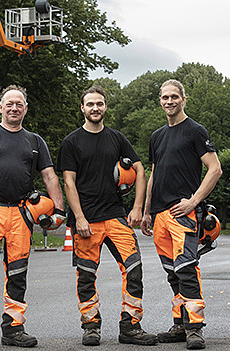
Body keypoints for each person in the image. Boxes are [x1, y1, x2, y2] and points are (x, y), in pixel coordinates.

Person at [0, 85, 65, 351]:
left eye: (19, 104)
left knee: (17, 274)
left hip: (21, 214)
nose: (14, 108)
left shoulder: (34, 141)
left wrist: (60, 212)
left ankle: (14, 330)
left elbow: (50, 177)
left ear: (25, 109)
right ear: (1, 107)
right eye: (9, 104)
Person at [57, 86, 157, 347]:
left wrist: (137, 208)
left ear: (105, 107)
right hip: (86, 220)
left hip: (115, 215)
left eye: (99, 104)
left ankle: (130, 327)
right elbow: (69, 182)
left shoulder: (117, 138)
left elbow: (140, 170)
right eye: (90, 104)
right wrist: (78, 217)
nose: (95, 108)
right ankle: (91, 326)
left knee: (134, 268)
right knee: (86, 275)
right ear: (82, 108)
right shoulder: (71, 142)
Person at [142, 79, 222, 350]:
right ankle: (180, 324)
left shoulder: (196, 131)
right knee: (171, 273)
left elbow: (215, 169)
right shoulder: (157, 136)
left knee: (186, 268)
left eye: (174, 97)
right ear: (160, 101)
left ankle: (195, 328)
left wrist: (193, 202)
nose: (169, 101)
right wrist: (146, 211)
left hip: (182, 213)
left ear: (183, 99)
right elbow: (154, 174)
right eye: (165, 97)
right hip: (160, 215)